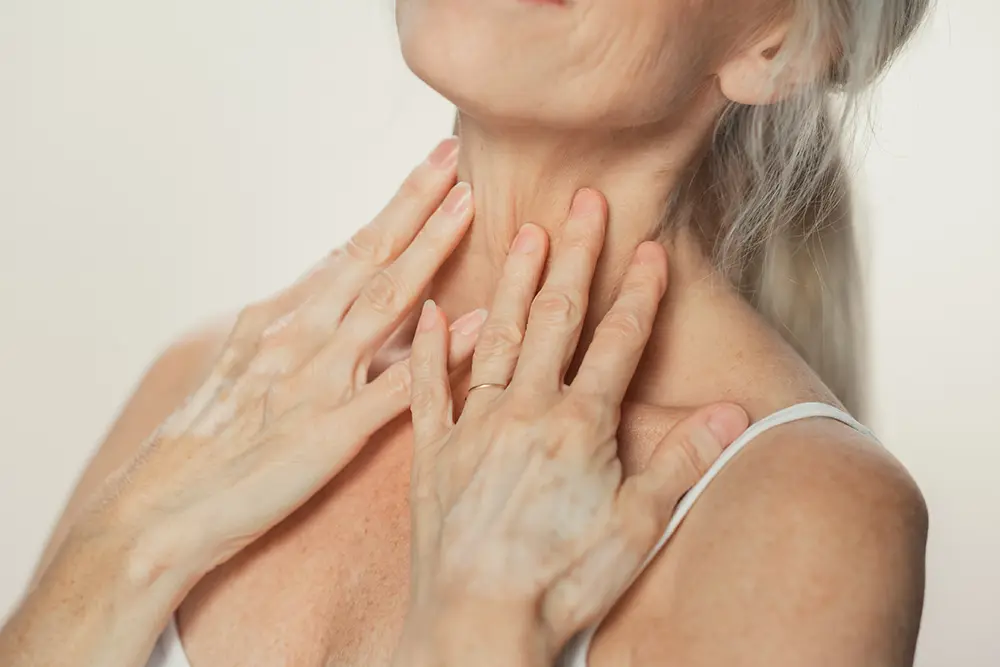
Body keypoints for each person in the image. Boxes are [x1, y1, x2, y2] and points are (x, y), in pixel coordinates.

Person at [0, 0, 930, 665]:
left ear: (783, 42)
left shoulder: (805, 517)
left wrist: (474, 638)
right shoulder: (202, 392)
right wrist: (122, 552)